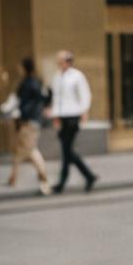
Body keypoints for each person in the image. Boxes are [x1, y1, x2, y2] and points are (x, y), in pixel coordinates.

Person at [49, 50, 98, 193]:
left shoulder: (77, 76)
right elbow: (56, 98)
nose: (59, 64)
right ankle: (88, 176)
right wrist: (55, 116)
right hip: (62, 116)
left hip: (73, 116)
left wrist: (84, 111)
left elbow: (85, 94)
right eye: (58, 61)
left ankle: (63, 182)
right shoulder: (57, 76)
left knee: (66, 150)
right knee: (67, 151)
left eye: (62, 61)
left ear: (69, 61)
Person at [5, 58, 51, 195]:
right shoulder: (35, 82)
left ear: (24, 68)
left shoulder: (28, 83)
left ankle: (44, 180)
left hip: (29, 121)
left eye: (20, 66)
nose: (19, 69)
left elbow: (23, 102)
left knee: (31, 151)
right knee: (20, 149)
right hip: (32, 120)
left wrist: (21, 114)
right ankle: (13, 177)